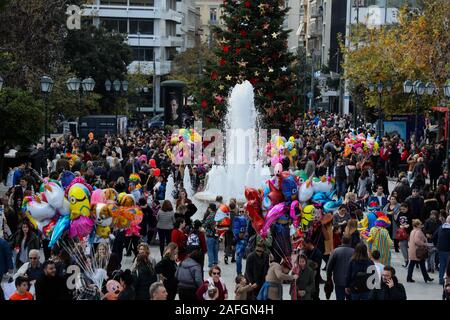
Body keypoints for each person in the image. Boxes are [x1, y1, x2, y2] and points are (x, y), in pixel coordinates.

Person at [326, 236, 354, 300]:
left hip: (338, 280)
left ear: (341, 241)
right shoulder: (354, 252)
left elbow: (329, 266)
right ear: (350, 242)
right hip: (350, 282)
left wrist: (329, 277)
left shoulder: (335, 251)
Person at [434, 216, 450, 285]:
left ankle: (441, 280)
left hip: (440, 249)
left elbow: (434, 236)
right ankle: (447, 280)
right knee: (448, 266)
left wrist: (437, 245)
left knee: (442, 265)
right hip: (448, 249)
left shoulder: (440, 227)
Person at [203, 203, 219, 268]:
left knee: (210, 250)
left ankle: (210, 264)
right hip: (216, 234)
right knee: (215, 250)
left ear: (210, 208)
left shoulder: (210, 216)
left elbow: (205, 225)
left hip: (210, 235)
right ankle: (215, 262)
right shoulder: (218, 215)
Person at [395, 203, 411, 267]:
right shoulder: (400, 213)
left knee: (410, 247)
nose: (402, 210)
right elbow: (397, 221)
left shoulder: (410, 214)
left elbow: (413, 222)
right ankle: (406, 260)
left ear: (407, 208)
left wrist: (409, 225)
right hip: (402, 233)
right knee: (403, 247)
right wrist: (400, 225)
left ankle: (413, 261)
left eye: (404, 209)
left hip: (409, 232)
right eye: (401, 209)